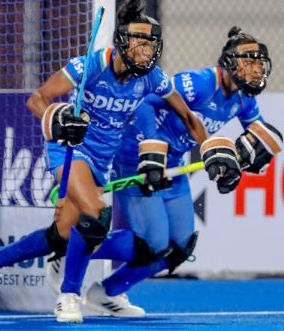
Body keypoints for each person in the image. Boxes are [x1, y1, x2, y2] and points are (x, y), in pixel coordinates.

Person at [0, 0, 218, 323]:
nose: (147, 52)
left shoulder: (152, 78)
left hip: (101, 161)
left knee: (61, 236)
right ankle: (69, 296)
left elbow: (187, 117)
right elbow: (38, 99)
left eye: (151, 46)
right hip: (71, 151)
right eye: (141, 45)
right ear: (123, 43)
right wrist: (58, 117)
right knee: (97, 216)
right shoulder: (90, 66)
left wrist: (212, 149)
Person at [70, 26, 279, 317]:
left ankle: (104, 294)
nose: (257, 70)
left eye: (259, 64)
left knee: (179, 247)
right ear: (230, 62)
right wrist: (152, 146)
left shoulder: (244, 99)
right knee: (152, 244)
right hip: (137, 159)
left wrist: (251, 158)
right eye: (250, 62)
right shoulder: (200, 83)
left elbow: (261, 134)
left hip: (175, 166)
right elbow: (145, 100)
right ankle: (69, 246)